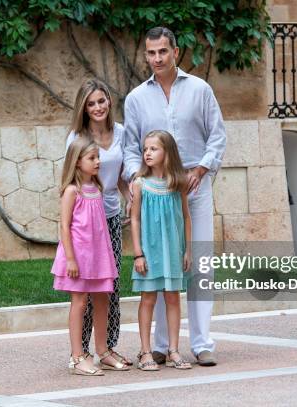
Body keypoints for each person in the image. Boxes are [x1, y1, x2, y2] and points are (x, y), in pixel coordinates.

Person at [123, 27, 227, 366]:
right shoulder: (137, 98)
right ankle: (161, 345)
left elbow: (217, 136)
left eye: (162, 52)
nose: (156, 59)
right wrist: (135, 182)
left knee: (199, 263)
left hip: (194, 189)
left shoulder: (200, 90)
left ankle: (202, 343)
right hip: (154, 195)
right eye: (151, 53)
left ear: (176, 52)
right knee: (158, 264)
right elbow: (129, 149)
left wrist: (200, 170)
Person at [65, 79, 132, 367]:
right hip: (85, 224)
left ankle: (106, 348)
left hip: (111, 217)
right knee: (84, 290)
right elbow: (72, 178)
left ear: (109, 101)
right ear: (84, 107)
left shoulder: (121, 132)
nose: (97, 107)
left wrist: (129, 195)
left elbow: (119, 173)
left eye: (101, 101)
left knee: (109, 286)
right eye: (91, 103)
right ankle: (80, 353)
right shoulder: (76, 137)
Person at [51, 137, 129, 375]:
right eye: (92, 158)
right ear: (77, 162)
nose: (98, 162)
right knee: (80, 302)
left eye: (98, 157)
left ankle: (102, 350)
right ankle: (77, 357)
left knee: (102, 299)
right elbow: (64, 226)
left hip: (98, 256)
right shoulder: (72, 191)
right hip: (79, 257)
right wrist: (71, 259)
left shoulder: (96, 189)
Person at [131, 130, 192, 371]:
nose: (147, 153)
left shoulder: (179, 183)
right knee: (147, 298)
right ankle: (146, 352)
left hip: (173, 251)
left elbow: (186, 217)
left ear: (167, 152)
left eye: (153, 149)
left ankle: (173, 350)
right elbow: (134, 220)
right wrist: (138, 253)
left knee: (173, 298)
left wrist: (188, 250)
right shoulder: (140, 184)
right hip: (149, 251)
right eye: (145, 149)